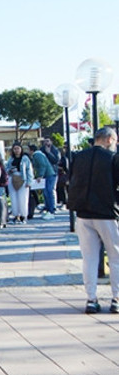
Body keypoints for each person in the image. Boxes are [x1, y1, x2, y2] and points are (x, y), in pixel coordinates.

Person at [66, 127, 119, 314]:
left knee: (89, 258)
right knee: (115, 256)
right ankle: (116, 298)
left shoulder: (79, 156)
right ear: (110, 139)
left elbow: (71, 180)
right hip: (106, 212)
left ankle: (91, 299)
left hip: (83, 212)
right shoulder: (112, 158)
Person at [6, 142, 34, 224]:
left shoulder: (25, 158)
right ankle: (16, 215)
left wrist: (29, 181)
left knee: (23, 198)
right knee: (13, 198)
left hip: (23, 179)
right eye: (15, 149)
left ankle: (23, 215)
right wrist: (9, 170)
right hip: (12, 178)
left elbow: (29, 170)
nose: (16, 150)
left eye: (18, 148)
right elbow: (6, 168)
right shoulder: (11, 159)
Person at [37, 139, 59, 218]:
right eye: (45, 141)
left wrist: (49, 153)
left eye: (48, 141)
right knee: (45, 191)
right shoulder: (41, 150)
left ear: (51, 142)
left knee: (51, 190)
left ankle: (53, 207)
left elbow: (56, 160)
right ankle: (47, 206)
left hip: (52, 172)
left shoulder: (55, 150)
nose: (46, 143)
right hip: (44, 174)